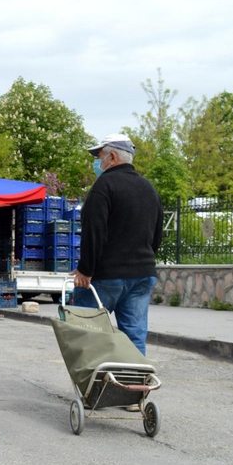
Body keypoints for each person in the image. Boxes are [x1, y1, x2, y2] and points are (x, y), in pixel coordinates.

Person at [72, 133, 163, 358]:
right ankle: (134, 387)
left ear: (112, 156)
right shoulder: (148, 188)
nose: (96, 162)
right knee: (134, 335)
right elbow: (157, 234)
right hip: (142, 274)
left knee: (89, 334)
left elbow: (94, 231)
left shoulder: (104, 186)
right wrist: (144, 261)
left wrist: (86, 270)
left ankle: (93, 387)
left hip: (106, 276)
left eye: (99, 156)